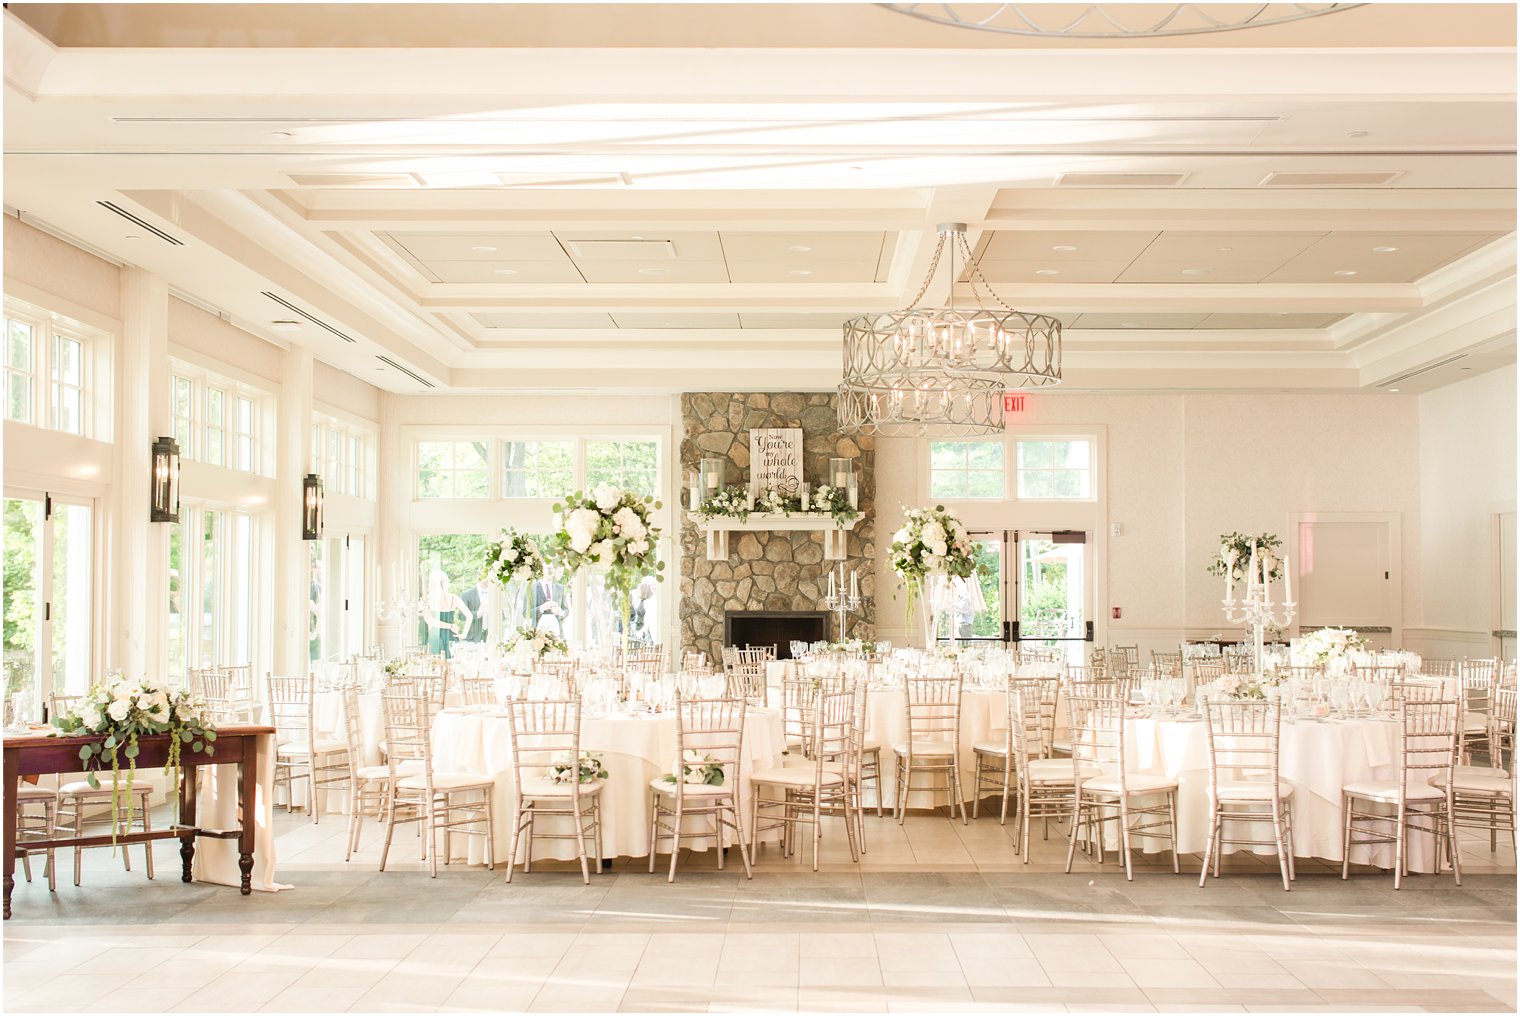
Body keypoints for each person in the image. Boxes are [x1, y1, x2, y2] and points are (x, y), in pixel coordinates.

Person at [419, 569, 473, 659]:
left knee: (435, 666)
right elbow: (470, 616)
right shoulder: (454, 598)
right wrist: (463, 633)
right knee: (451, 666)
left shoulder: (428, 599)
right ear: (446, 582)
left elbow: (429, 620)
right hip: (450, 636)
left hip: (435, 637)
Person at [459, 578, 491, 642]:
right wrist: (477, 614)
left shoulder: (495, 595)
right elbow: (461, 616)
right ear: (478, 576)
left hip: (491, 637)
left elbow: (502, 617)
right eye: (486, 575)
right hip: (472, 639)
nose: (488, 578)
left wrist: (492, 612)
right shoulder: (466, 594)